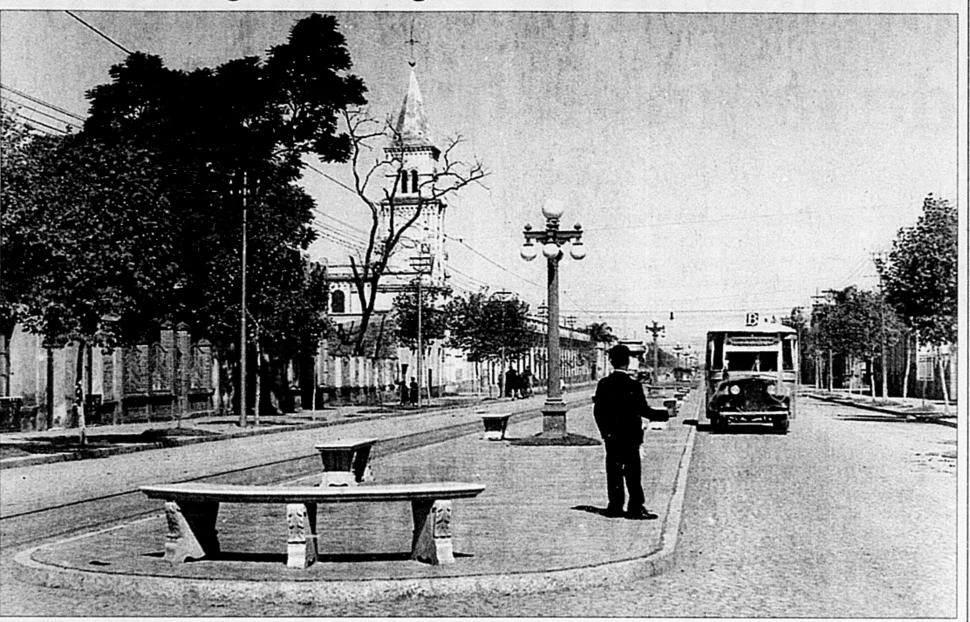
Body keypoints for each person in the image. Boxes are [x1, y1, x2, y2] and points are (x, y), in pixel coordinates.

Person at [593, 344, 655, 519]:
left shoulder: (604, 384)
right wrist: (664, 415)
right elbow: (644, 410)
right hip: (631, 436)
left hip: (612, 437)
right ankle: (635, 508)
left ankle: (615, 507)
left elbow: (598, 412)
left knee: (613, 472)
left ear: (611, 361)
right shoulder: (633, 385)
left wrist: (605, 433)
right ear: (628, 362)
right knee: (633, 473)